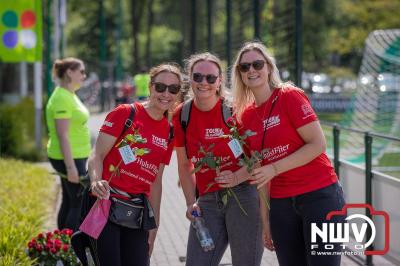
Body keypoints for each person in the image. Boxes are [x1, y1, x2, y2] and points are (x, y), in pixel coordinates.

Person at [231, 41, 346, 266]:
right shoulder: (244, 117)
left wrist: (274, 167)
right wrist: (265, 221)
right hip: (282, 205)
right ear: (240, 74)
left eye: (257, 64)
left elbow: (317, 144)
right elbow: (260, 172)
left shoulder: (289, 96)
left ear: (269, 68)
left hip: (321, 197)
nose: (251, 70)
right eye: (245, 67)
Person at [173, 52, 264, 266]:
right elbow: (184, 164)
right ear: (190, 78)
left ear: (219, 81)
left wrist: (236, 177)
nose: (203, 83)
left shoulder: (236, 109)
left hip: (244, 195)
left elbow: (260, 157)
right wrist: (189, 203)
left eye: (210, 78)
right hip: (207, 200)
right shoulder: (182, 114)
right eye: (197, 77)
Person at [87, 63, 182, 266]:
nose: (166, 94)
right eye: (160, 87)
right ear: (150, 87)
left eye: (173, 89)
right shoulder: (126, 113)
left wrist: (154, 225)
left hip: (137, 213)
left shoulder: (170, 131)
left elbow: (156, 182)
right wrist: (96, 181)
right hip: (106, 204)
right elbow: (97, 154)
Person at [46, 57, 90, 231]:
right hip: (69, 157)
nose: (84, 76)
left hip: (75, 155)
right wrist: (71, 167)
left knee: (69, 199)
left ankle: (62, 246)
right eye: (81, 72)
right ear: (70, 72)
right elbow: (62, 134)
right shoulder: (61, 98)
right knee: (77, 203)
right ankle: (71, 249)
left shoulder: (69, 94)